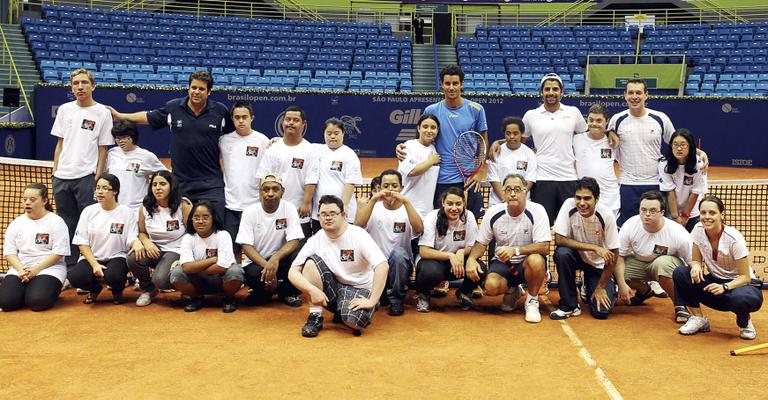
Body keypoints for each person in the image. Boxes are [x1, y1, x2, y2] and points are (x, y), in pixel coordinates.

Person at [109, 70, 232, 222]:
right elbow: (148, 117)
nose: (196, 92)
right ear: (188, 88)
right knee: (182, 229)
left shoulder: (220, 111)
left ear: (209, 91)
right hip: (181, 183)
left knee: (215, 225)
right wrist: (121, 116)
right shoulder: (174, 107)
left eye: (201, 89)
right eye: (193, 87)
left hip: (211, 183)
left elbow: (236, 134)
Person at [288, 195, 389, 337]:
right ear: (318, 216)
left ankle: (347, 310)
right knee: (310, 263)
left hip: (358, 288)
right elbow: (293, 271)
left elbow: (382, 266)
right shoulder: (316, 238)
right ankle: (315, 316)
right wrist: (311, 290)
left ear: (344, 215)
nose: (327, 218)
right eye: (323, 214)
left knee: (353, 323)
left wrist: (373, 300)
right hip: (334, 285)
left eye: (332, 214)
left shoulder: (358, 235)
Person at [396, 64, 488, 217]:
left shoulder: (476, 109)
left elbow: (483, 141)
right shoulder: (431, 110)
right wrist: (403, 147)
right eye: (447, 83)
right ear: (441, 84)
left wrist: (480, 171)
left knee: (473, 220)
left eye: (455, 83)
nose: (451, 87)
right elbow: (423, 140)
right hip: (441, 178)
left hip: (470, 177)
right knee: (442, 222)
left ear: (461, 84)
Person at [459, 174, 550, 323]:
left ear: (525, 192)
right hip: (503, 263)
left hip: (527, 263)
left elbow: (545, 247)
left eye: (517, 189)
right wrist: (471, 259)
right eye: (508, 189)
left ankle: (532, 300)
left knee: (536, 260)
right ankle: (513, 289)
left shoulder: (537, 211)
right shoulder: (493, 213)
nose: (513, 193)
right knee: (490, 287)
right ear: (503, 192)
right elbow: (481, 243)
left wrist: (516, 251)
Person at [673, 195, 763, 339]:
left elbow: (745, 277)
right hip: (715, 284)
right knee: (681, 273)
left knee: (740, 299)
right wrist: (696, 266)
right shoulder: (697, 229)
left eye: (712, 213)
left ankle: (745, 322)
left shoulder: (734, 239)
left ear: (722, 215)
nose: (706, 217)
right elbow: (696, 259)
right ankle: (698, 318)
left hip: (741, 287)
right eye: (703, 213)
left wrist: (725, 287)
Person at [52, 68, 114, 266]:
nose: (80, 86)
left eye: (84, 82)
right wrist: (56, 170)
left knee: (89, 223)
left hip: (86, 177)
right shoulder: (64, 109)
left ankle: (89, 264)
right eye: (76, 83)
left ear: (93, 86)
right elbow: (60, 143)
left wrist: (97, 175)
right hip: (61, 177)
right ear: (72, 87)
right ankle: (70, 267)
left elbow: (103, 148)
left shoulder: (103, 113)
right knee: (66, 222)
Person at [615, 190, 693, 323]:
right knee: (614, 269)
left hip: (667, 266)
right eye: (643, 210)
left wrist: (690, 290)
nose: (647, 214)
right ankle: (645, 291)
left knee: (661, 264)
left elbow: (692, 263)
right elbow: (619, 256)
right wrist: (621, 284)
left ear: (662, 213)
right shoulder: (630, 225)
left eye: (652, 210)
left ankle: (680, 305)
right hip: (639, 262)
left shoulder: (678, 233)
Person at [521, 72, 588, 225]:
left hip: (569, 178)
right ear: (541, 92)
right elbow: (518, 139)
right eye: (547, 89)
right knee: (542, 225)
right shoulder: (531, 115)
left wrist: (610, 133)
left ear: (562, 92)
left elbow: (588, 135)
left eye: (555, 89)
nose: (551, 93)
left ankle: (564, 251)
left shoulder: (573, 112)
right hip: (542, 179)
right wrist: (499, 143)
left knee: (570, 225)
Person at [607, 79, 675, 226]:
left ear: (646, 95)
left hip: (655, 184)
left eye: (638, 92)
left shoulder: (660, 118)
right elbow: (601, 139)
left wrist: (698, 153)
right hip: (627, 184)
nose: (634, 96)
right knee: (627, 227)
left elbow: (677, 142)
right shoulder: (616, 120)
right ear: (625, 95)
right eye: (630, 92)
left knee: (655, 226)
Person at [355, 169, 423, 316]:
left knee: (398, 254)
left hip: (399, 266)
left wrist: (406, 201)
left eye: (394, 186)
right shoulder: (373, 207)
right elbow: (358, 225)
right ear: (380, 188)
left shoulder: (408, 208)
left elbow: (419, 229)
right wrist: (373, 199)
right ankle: (380, 294)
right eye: (386, 186)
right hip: (374, 266)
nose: (390, 190)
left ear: (401, 188)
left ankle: (396, 300)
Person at [551, 177, 620, 320]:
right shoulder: (568, 205)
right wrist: (594, 247)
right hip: (576, 257)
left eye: (587, 198)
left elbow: (614, 254)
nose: (582, 203)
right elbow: (559, 239)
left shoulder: (606, 215)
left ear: (597, 199)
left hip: (598, 265)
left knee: (601, 312)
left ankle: (593, 285)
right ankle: (570, 305)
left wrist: (601, 287)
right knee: (561, 254)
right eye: (578, 198)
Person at [68, 174, 138, 305]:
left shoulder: (127, 212)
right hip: (92, 257)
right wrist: (94, 264)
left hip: (117, 256)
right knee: (75, 277)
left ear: (115, 191)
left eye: (105, 188)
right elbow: (82, 242)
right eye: (98, 188)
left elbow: (132, 237)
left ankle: (117, 290)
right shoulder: (88, 211)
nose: (100, 191)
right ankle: (95, 289)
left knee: (114, 276)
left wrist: (137, 242)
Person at [236, 174, 304, 307]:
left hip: (280, 260)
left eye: (275, 189)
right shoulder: (249, 212)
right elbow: (246, 245)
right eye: (266, 189)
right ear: (260, 192)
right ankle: (264, 293)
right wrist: (267, 266)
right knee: (253, 275)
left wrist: (275, 259)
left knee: (299, 257)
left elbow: (294, 240)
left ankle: (287, 293)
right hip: (257, 262)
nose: (270, 193)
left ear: (282, 191)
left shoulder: (289, 208)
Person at [0, 183, 70, 311]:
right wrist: (21, 270)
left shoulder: (56, 222)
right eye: (24, 199)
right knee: (6, 303)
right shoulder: (17, 223)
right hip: (21, 269)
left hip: (49, 268)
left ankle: (47, 288)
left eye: (32, 200)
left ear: (44, 201)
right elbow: (9, 252)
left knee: (38, 302)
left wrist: (36, 270)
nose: (27, 203)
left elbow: (59, 252)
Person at [127, 170, 192, 307]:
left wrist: (186, 258)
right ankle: (148, 290)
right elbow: (142, 232)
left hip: (177, 250)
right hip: (155, 249)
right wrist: (146, 242)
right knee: (133, 257)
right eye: (154, 184)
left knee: (160, 280)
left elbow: (193, 234)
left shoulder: (183, 205)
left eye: (162, 184)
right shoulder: (145, 206)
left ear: (171, 186)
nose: (158, 188)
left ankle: (187, 288)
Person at [170, 201, 245, 313]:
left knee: (235, 271)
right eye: (196, 217)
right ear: (191, 219)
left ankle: (228, 299)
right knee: (176, 273)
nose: (200, 221)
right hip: (198, 282)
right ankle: (195, 298)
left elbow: (222, 266)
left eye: (205, 217)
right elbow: (186, 268)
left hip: (221, 280)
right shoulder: (188, 238)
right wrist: (213, 259)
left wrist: (195, 268)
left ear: (213, 218)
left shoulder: (223, 235)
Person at [413, 186, 478, 312]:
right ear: (443, 202)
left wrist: (461, 252)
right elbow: (424, 251)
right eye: (450, 204)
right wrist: (450, 255)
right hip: (433, 262)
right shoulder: (432, 217)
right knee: (430, 272)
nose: (454, 208)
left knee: (480, 269)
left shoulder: (469, 216)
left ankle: (464, 292)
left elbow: (473, 246)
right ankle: (423, 295)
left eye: (458, 204)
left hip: (456, 264)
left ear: (464, 203)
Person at [219, 100, 270, 258]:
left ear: (252, 118)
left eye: (244, 117)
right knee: (232, 247)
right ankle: (235, 279)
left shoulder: (263, 141)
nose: (241, 120)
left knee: (254, 247)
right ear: (232, 119)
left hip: (254, 203)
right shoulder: (224, 140)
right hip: (230, 204)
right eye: (237, 117)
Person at [256, 106, 317, 236]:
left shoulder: (310, 150)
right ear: (282, 122)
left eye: (295, 120)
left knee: (299, 252)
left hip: (299, 212)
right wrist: (263, 202)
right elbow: (263, 178)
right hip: (275, 210)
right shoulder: (273, 149)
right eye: (288, 119)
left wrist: (306, 203)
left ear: (303, 124)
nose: (291, 122)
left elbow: (311, 179)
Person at [309, 118, 363, 230]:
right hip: (320, 213)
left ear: (343, 133)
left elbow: (350, 182)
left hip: (342, 213)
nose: (332, 136)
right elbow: (297, 144)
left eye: (336, 133)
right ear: (324, 134)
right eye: (329, 133)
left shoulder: (350, 155)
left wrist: (343, 207)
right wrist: (276, 140)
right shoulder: (315, 149)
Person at [105, 120, 167, 210]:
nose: (120, 141)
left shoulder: (146, 156)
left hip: (137, 209)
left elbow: (166, 175)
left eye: (124, 137)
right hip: (115, 207)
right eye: (118, 138)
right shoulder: (112, 153)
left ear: (133, 137)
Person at [573, 104, 620, 216]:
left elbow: (622, 165)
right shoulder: (576, 139)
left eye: (599, 120)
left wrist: (610, 132)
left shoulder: (613, 142)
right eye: (591, 120)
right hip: (585, 198)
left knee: (608, 232)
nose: (594, 124)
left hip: (610, 199)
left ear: (606, 122)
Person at [658, 128, 707, 232]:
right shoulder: (664, 164)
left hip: (692, 212)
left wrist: (685, 216)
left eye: (683, 144)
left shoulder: (699, 164)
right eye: (675, 144)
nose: (679, 148)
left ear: (690, 146)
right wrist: (675, 217)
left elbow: (695, 193)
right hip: (671, 211)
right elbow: (670, 192)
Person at [487, 116, 536, 208]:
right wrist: (505, 199)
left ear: (521, 134)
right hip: (498, 203)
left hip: (522, 203)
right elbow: (494, 179)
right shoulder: (496, 152)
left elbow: (530, 179)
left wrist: (518, 198)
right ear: (504, 134)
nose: (511, 136)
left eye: (515, 133)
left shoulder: (529, 153)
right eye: (508, 133)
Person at [397, 113, 441, 218]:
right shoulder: (409, 146)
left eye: (433, 127)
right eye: (425, 127)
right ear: (418, 128)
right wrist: (431, 161)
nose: (429, 130)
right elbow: (411, 172)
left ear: (437, 130)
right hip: (408, 205)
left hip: (427, 209)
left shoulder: (433, 148)